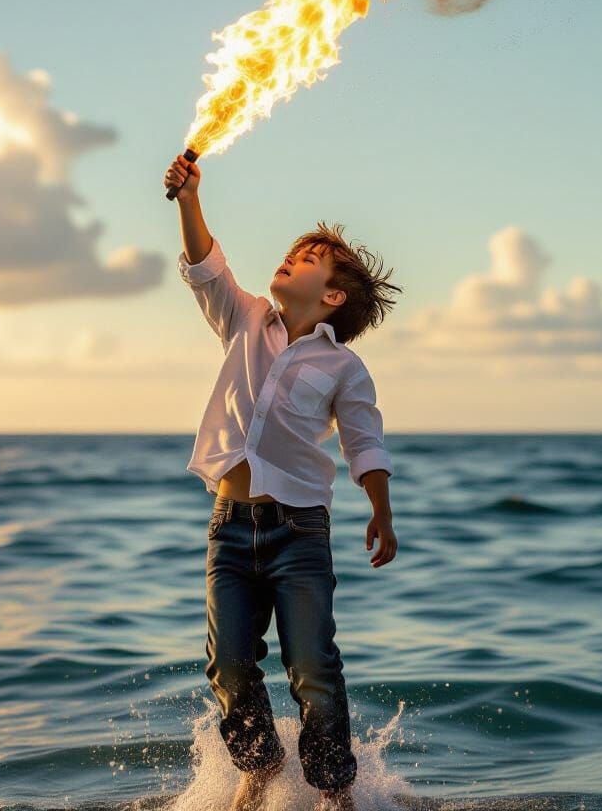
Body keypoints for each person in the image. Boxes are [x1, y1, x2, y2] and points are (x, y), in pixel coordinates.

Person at [164, 152, 401, 810]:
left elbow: (365, 440)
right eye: (293, 251)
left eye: (308, 257)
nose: (290, 258)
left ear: (333, 295)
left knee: (314, 672)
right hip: (230, 528)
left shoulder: (343, 368)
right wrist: (189, 199)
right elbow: (205, 267)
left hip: (300, 533)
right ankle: (260, 767)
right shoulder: (244, 319)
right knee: (230, 665)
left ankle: (334, 794)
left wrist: (380, 509)